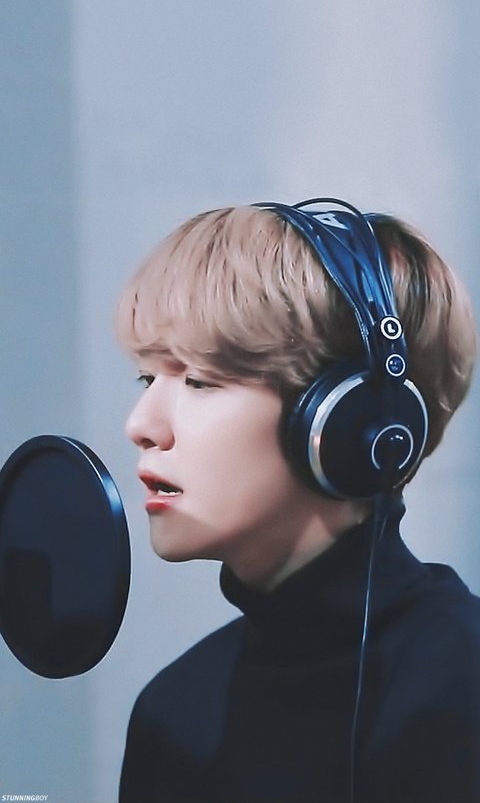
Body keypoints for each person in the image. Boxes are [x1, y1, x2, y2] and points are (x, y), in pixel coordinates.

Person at [116, 200, 479, 803]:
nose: (142, 425)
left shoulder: (462, 682)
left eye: (200, 380)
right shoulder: (173, 712)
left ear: (349, 419)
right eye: (147, 379)